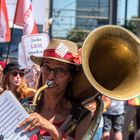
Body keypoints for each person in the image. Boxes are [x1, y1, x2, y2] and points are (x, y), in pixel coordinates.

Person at [18, 39, 93, 140]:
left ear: (71, 76)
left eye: (60, 70)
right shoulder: (23, 104)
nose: (51, 76)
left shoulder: (81, 115)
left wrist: (52, 129)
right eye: (47, 67)